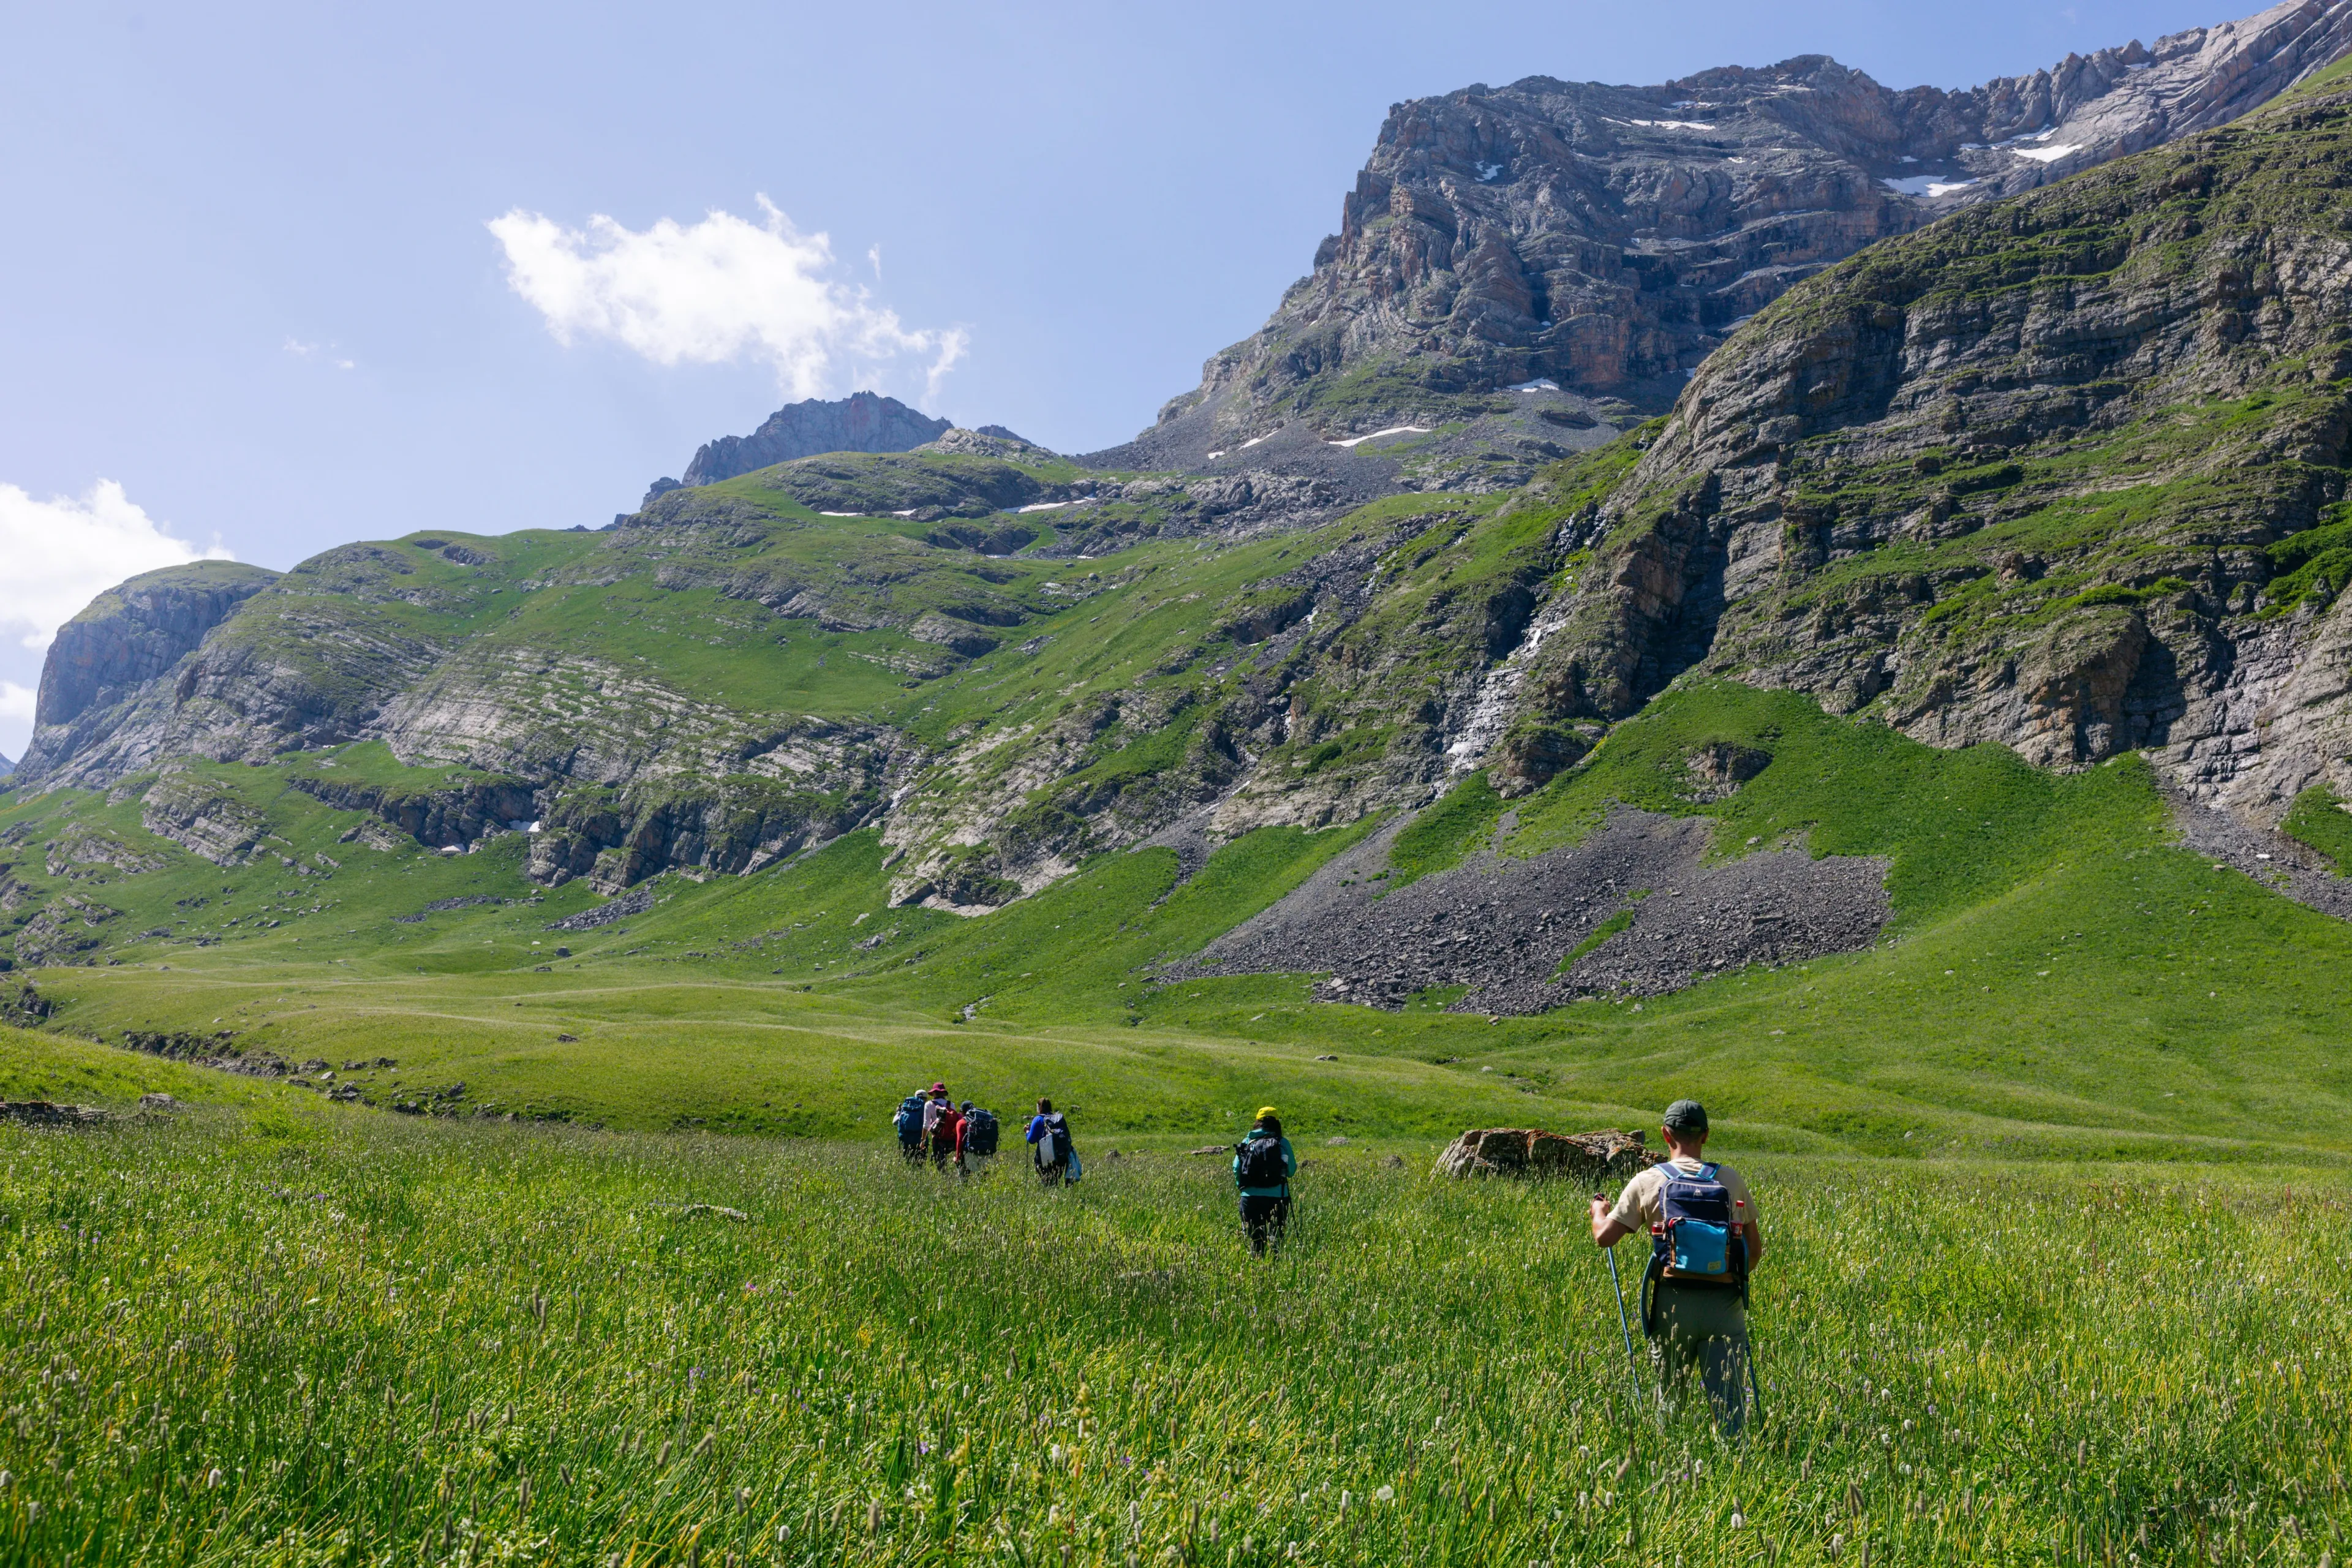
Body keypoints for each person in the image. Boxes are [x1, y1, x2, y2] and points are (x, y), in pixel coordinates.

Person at [1589, 1099, 1765, 1435]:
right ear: (1706, 1136)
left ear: (1665, 1135)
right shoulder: (1730, 1180)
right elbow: (1754, 1252)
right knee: (1730, 1410)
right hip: (1725, 1305)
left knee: (1668, 1407)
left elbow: (1605, 1238)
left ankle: (1669, 1473)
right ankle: (1736, 1473)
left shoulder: (1648, 1181)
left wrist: (1600, 1210)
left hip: (1672, 1307)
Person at [1232, 1107, 1296, 1256]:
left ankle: (1256, 1271)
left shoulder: (1248, 1141)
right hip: (1278, 1197)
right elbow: (1291, 1171)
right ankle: (1274, 1270)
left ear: (1257, 1122)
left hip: (1250, 1197)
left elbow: (1236, 1167)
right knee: (1276, 1241)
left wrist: (1242, 1187)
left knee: (1255, 1241)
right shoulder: (1282, 1142)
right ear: (1277, 1123)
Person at [1025, 1098, 1074, 1185]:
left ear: (1039, 1108)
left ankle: (1047, 1194)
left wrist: (1027, 1132)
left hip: (1045, 1155)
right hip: (1061, 1155)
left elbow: (1031, 1140)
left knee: (1046, 1181)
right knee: (1055, 1180)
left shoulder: (1038, 1120)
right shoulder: (1058, 1119)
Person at [921, 1084, 961, 1172]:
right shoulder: (951, 1104)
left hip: (937, 1137)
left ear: (934, 1093)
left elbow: (926, 1124)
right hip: (951, 1137)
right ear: (944, 1093)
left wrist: (923, 1141)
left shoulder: (929, 1105)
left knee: (940, 1164)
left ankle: (944, 1176)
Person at [892, 1088, 928, 1164]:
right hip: (921, 1141)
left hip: (906, 1140)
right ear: (926, 1099)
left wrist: (898, 1112)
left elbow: (894, 1123)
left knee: (908, 1164)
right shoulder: (926, 1108)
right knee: (920, 1166)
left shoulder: (906, 1107)